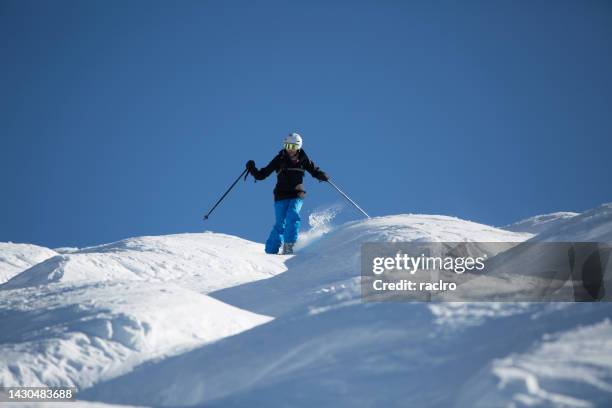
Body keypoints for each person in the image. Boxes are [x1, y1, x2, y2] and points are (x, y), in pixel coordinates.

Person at [246, 133, 329, 255]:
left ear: (298, 147)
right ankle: (270, 251)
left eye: (292, 146)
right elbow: (262, 174)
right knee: (280, 223)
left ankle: (288, 246)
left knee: (292, 215)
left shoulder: (303, 159)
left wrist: (321, 175)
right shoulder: (279, 159)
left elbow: (314, 170)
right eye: (287, 145)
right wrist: (252, 169)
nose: (289, 149)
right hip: (280, 196)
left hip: (296, 194)